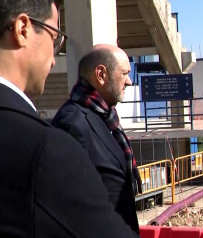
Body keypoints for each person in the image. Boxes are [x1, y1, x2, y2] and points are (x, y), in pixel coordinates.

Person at [0, 1, 139, 237]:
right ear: (22, 29)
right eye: (54, 38)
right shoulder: (50, 145)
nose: (54, 59)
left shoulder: (105, 120)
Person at [51, 43, 142, 234]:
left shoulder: (106, 119)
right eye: (124, 73)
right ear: (101, 75)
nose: (129, 81)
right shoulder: (72, 124)